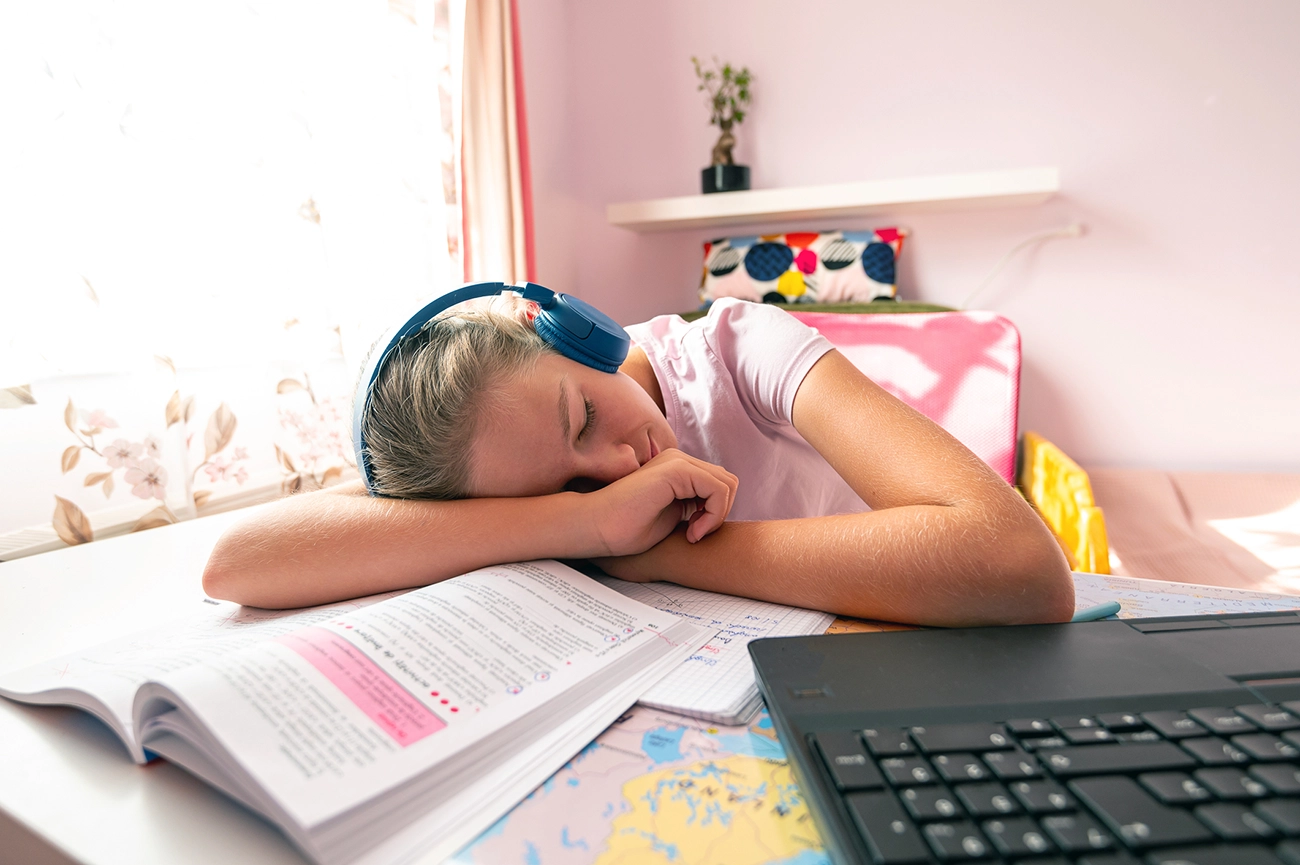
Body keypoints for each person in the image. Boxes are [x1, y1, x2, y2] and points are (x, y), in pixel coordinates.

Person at [202, 293, 1074, 626]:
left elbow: (1021, 566)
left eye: (582, 413)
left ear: (557, 327)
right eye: (574, 479)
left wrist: (643, 550)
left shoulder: (743, 349)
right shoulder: (525, 470)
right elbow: (236, 561)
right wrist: (575, 520)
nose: (619, 464)